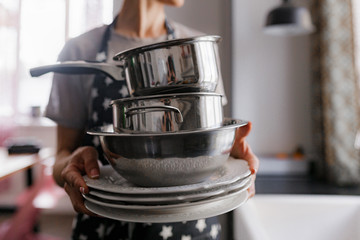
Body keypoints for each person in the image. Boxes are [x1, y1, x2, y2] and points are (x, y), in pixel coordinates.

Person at [45, 0, 259, 239]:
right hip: (104, 228)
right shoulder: (79, 51)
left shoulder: (199, 46)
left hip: (192, 229)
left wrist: (232, 156)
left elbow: (206, 142)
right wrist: (70, 165)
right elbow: (61, 157)